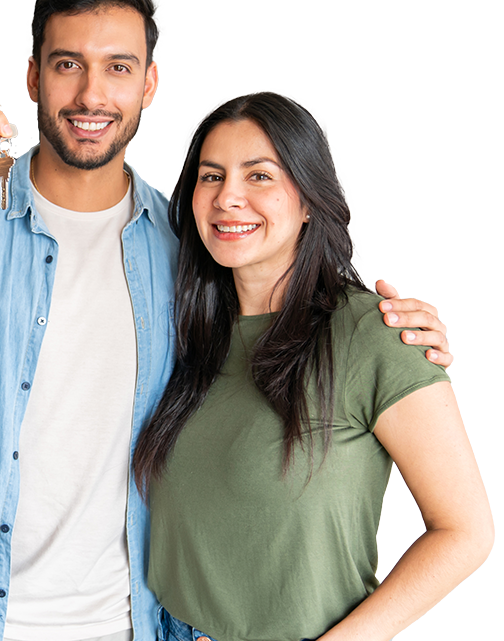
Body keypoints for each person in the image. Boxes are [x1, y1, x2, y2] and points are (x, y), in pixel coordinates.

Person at [0, 0, 451, 641]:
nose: (92, 93)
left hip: (136, 622)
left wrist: (390, 331)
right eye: (69, 65)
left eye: (119, 67)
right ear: (35, 76)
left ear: (148, 82)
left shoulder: (188, 243)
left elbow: (279, 309)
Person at [133, 92, 493, 641]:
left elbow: (465, 531)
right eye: (211, 176)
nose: (228, 197)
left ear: (307, 201)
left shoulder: (374, 333)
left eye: (259, 176)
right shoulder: (185, 332)